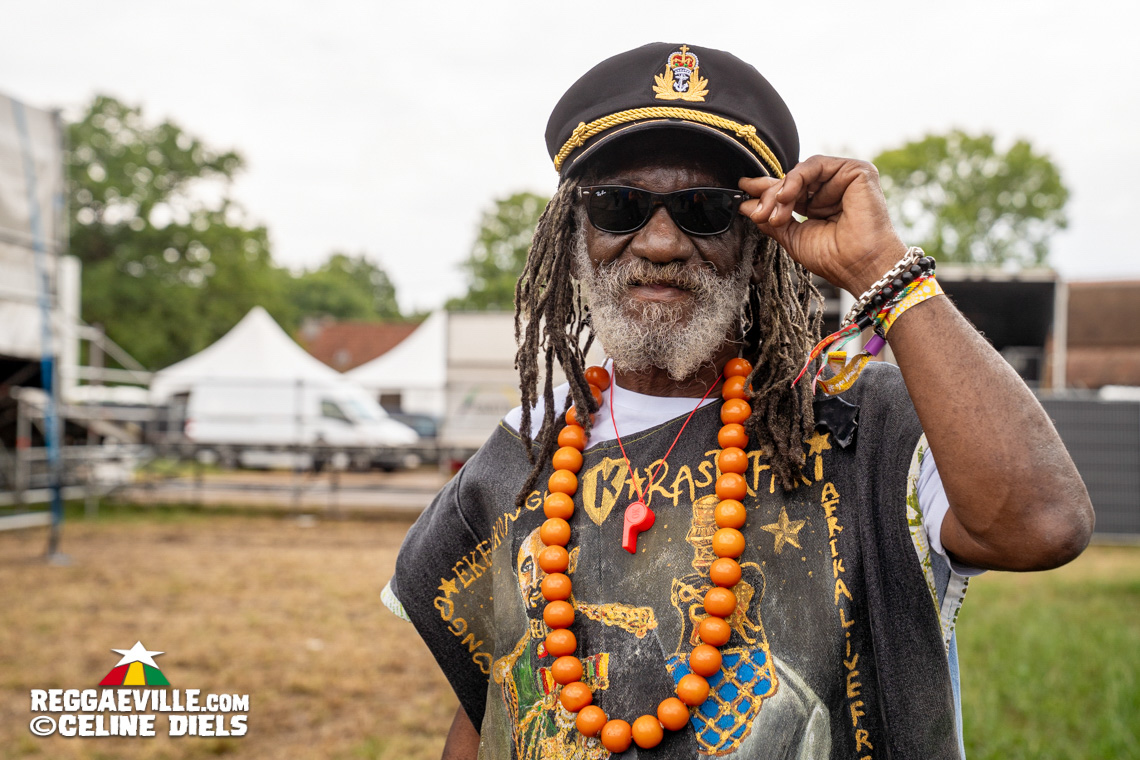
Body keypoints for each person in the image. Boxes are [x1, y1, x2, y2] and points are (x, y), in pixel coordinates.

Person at [381, 43, 1093, 759]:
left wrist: (883, 268)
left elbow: (1042, 523)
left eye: (704, 211)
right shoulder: (525, 451)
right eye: (620, 205)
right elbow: (488, 708)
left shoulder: (858, 423)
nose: (659, 242)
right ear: (576, 235)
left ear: (757, 241)